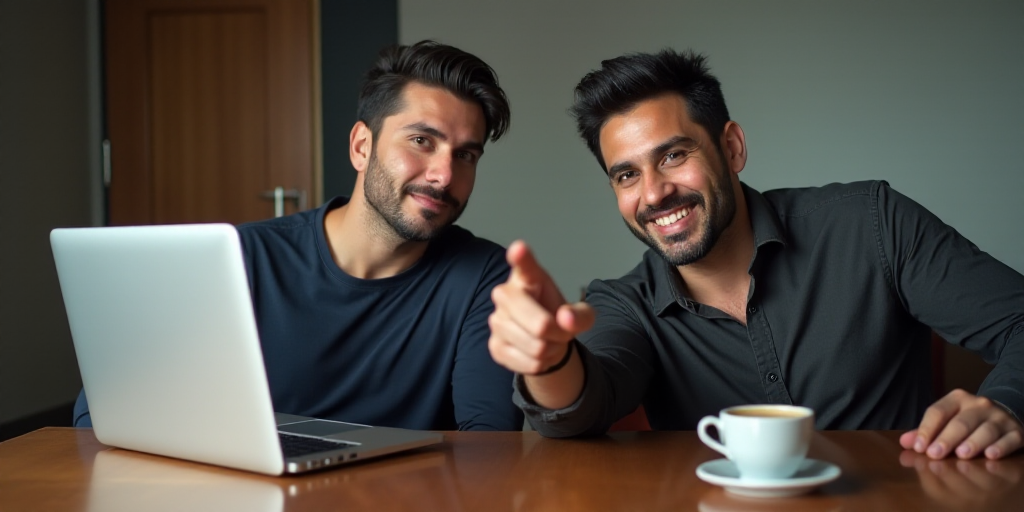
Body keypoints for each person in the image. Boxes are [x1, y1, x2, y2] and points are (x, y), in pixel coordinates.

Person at [488, 48, 1023, 457]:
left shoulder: (872, 222)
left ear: (732, 147)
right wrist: (551, 359)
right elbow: (583, 410)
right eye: (626, 175)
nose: (652, 194)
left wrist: (1005, 405)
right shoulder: (625, 303)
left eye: (673, 155)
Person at [74, 40, 523, 431]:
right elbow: (101, 413)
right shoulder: (238, 258)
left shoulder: (484, 275)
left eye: (465, 155)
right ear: (361, 147)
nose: (445, 175)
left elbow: (488, 438)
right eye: (422, 141)